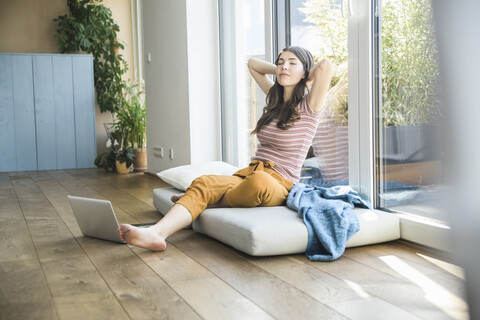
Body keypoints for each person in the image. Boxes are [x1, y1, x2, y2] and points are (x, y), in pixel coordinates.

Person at [118, 46, 333, 251]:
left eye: (292, 63)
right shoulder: (275, 100)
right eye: (280, 62)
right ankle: (156, 233)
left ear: (305, 71)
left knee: (260, 182)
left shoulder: (309, 107)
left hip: (279, 183)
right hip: (247, 174)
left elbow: (324, 66)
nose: (284, 67)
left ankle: (207, 203)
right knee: (204, 182)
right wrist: (282, 70)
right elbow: (253, 64)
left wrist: (303, 74)